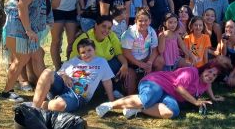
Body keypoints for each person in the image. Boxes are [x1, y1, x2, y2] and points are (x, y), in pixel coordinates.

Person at [2, 0, 56, 102]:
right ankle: (7, 91)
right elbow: (22, 5)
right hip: (18, 26)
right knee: (22, 59)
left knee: (32, 56)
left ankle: (45, 90)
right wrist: (28, 30)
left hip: (25, 27)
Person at [96, 61, 226, 120]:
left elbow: (208, 85)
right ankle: (110, 105)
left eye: (214, 75)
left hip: (168, 94)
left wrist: (213, 98)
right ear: (204, 69)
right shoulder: (191, 72)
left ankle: (136, 108)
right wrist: (195, 102)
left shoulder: (205, 83)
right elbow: (178, 87)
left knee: (173, 111)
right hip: (156, 82)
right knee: (148, 98)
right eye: (209, 72)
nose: (210, 76)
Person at [33, 39, 115, 112]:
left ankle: (45, 104)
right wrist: (65, 76)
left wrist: (112, 102)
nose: (86, 54)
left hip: (78, 95)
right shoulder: (74, 60)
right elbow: (60, 72)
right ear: (79, 54)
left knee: (57, 105)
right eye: (83, 52)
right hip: (62, 86)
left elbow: (107, 82)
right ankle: (34, 108)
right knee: (47, 72)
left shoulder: (101, 62)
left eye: (89, 50)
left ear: (94, 49)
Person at [69, 15, 130, 89]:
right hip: (90, 69)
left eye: (109, 28)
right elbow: (73, 62)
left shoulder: (111, 36)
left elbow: (119, 53)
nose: (106, 30)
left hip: (107, 66)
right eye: (103, 26)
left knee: (119, 63)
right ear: (96, 25)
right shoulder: (84, 39)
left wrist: (125, 64)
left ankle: (114, 88)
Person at [120, 9, 159, 95]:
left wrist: (149, 62)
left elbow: (155, 50)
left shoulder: (152, 31)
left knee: (160, 60)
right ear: (135, 21)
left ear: (150, 21)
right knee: (130, 91)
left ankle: (157, 82)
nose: (143, 23)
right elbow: (126, 53)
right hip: (131, 63)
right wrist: (141, 65)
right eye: (140, 21)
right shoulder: (129, 33)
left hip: (145, 60)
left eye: (146, 20)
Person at [216, 20, 235, 87]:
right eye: (227, 27)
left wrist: (231, 75)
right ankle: (227, 76)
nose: (228, 29)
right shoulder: (224, 38)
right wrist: (224, 44)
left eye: (231, 27)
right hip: (231, 64)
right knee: (219, 59)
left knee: (231, 83)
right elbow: (223, 55)